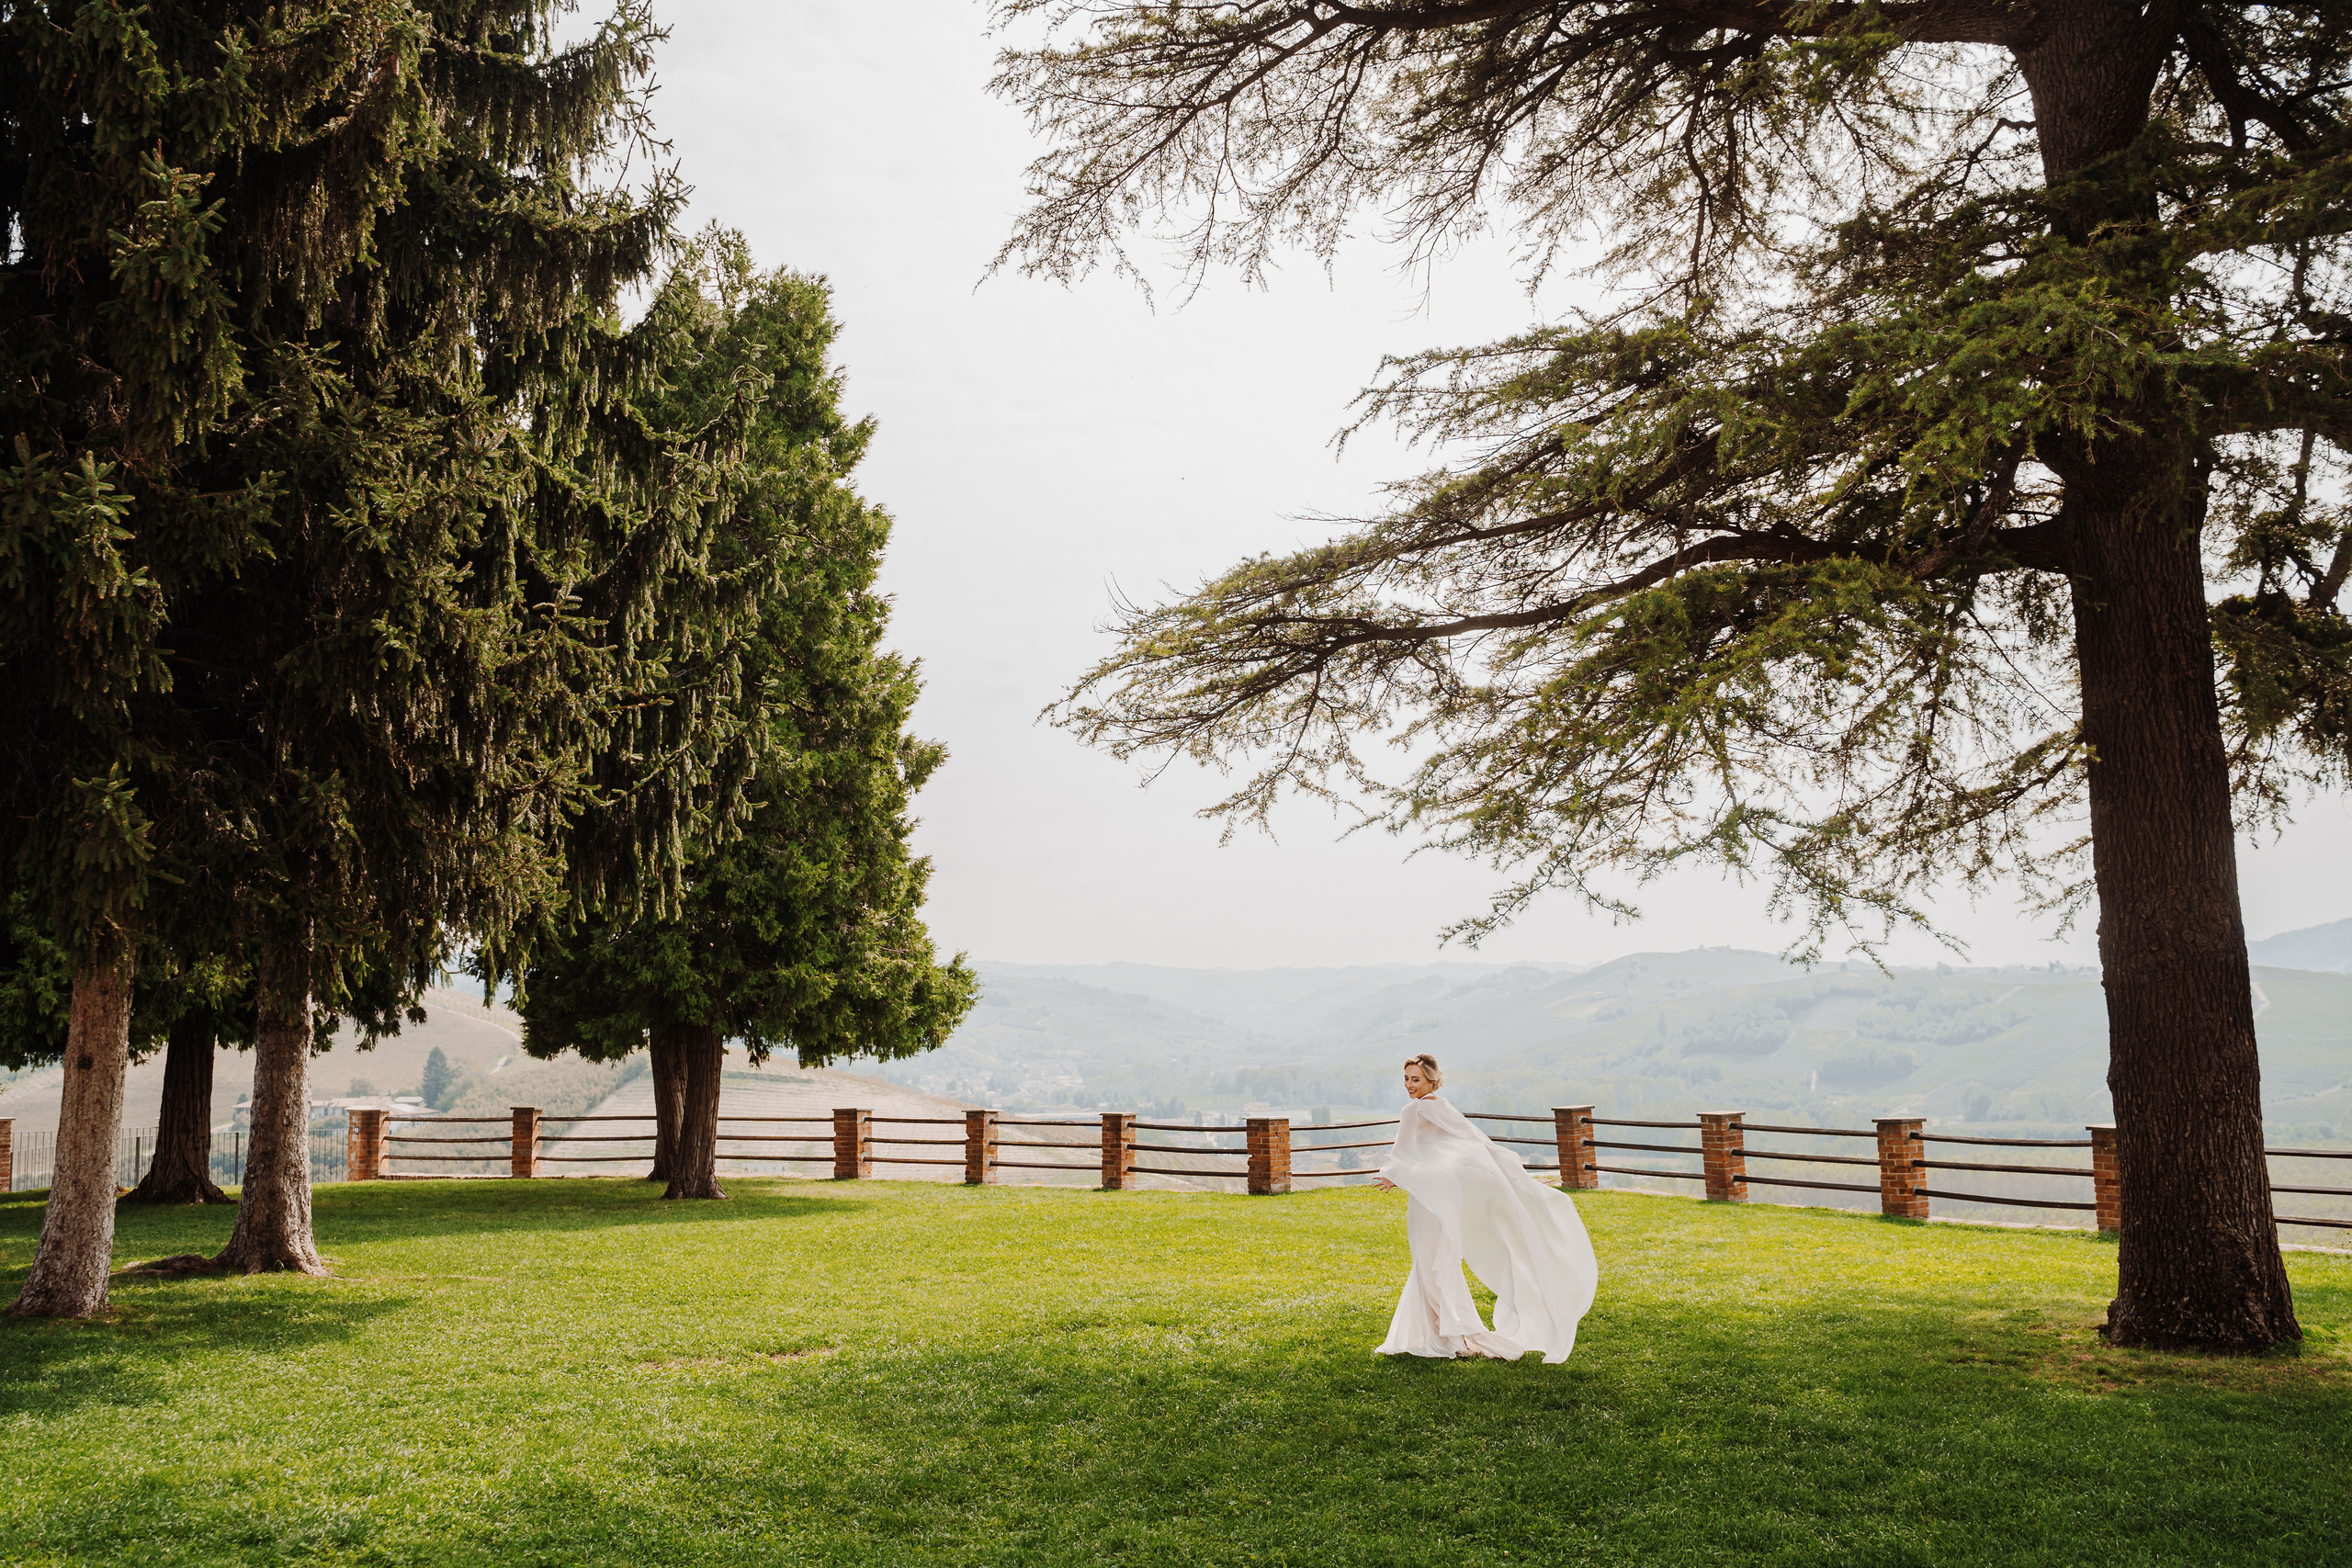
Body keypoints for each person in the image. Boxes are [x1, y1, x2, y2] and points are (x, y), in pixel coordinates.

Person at [1373, 1053, 1599, 1362]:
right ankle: (1449, 1334)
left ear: (1430, 1081)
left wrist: (1391, 1174)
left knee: (1429, 1264)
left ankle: (1452, 1338)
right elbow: (1471, 1145)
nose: (1409, 1086)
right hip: (1447, 1196)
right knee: (1439, 1264)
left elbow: (1404, 1151)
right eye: (1406, 1079)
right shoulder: (1444, 1107)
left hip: (1429, 1199)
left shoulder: (1415, 1111)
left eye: (1416, 1080)